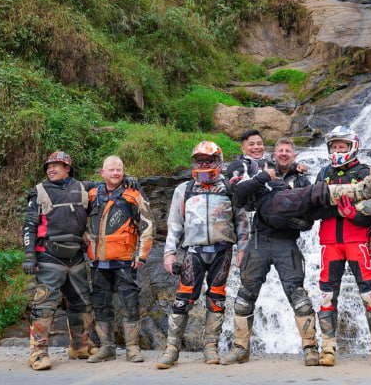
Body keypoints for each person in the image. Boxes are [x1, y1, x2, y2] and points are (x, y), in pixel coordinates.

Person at [221, 138, 319, 366]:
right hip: (259, 241)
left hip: (287, 242)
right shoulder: (260, 172)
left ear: (294, 155)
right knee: (245, 296)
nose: (284, 154)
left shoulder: (302, 179)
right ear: (273, 155)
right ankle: (240, 349)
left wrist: (298, 222)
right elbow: (241, 199)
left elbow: (310, 218)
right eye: (280, 150)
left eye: (288, 151)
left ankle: (311, 349)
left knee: (299, 297)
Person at [156, 141, 249, 369]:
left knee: (217, 298)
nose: (205, 164)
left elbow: (242, 222)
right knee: (182, 298)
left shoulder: (230, 188)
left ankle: (210, 347)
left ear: (219, 161)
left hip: (222, 251)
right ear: (194, 162)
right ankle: (171, 349)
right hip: (193, 252)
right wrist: (169, 254)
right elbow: (174, 224)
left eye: (209, 160)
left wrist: (243, 250)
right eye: (200, 160)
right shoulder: (184, 189)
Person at [315, 126, 371, 368]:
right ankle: (327, 348)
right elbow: (313, 205)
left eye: (342, 146)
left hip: (357, 239)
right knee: (327, 294)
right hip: (330, 241)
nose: (338, 150)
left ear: (352, 147)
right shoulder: (324, 172)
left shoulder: (366, 172)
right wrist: (339, 210)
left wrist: (354, 215)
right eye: (334, 147)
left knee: (369, 293)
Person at [21, 151, 100, 371]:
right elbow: (29, 225)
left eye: (56, 165)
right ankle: (38, 354)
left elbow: (110, 186)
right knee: (44, 305)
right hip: (48, 256)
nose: (50, 169)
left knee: (82, 302)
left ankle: (80, 346)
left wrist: (127, 180)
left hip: (76, 256)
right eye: (48, 166)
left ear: (68, 168)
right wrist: (29, 255)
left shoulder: (84, 188)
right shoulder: (39, 192)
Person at [85, 156, 154, 364]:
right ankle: (106, 347)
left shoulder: (133, 195)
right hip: (98, 262)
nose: (116, 173)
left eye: (119, 170)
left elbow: (148, 224)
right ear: (102, 173)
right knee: (100, 305)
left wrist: (141, 255)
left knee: (130, 304)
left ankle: (132, 348)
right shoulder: (92, 194)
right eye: (111, 170)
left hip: (125, 260)